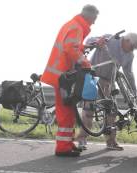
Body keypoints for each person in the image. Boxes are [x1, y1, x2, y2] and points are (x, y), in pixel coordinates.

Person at [40, 4, 99, 157]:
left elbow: (73, 46)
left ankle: (67, 143)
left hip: (61, 75)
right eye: (94, 19)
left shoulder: (73, 25)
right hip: (63, 77)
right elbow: (70, 48)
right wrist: (85, 62)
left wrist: (85, 46)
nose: (94, 23)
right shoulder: (77, 27)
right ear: (90, 17)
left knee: (69, 110)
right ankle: (63, 148)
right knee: (66, 111)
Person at [76, 32, 137, 151]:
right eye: (132, 47)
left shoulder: (130, 55)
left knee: (112, 112)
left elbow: (129, 73)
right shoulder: (110, 39)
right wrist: (97, 42)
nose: (132, 50)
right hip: (93, 78)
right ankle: (82, 139)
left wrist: (133, 90)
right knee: (89, 110)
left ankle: (111, 141)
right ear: (126, 41)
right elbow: (89, 40)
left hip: (109, 82)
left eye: (134, 48)